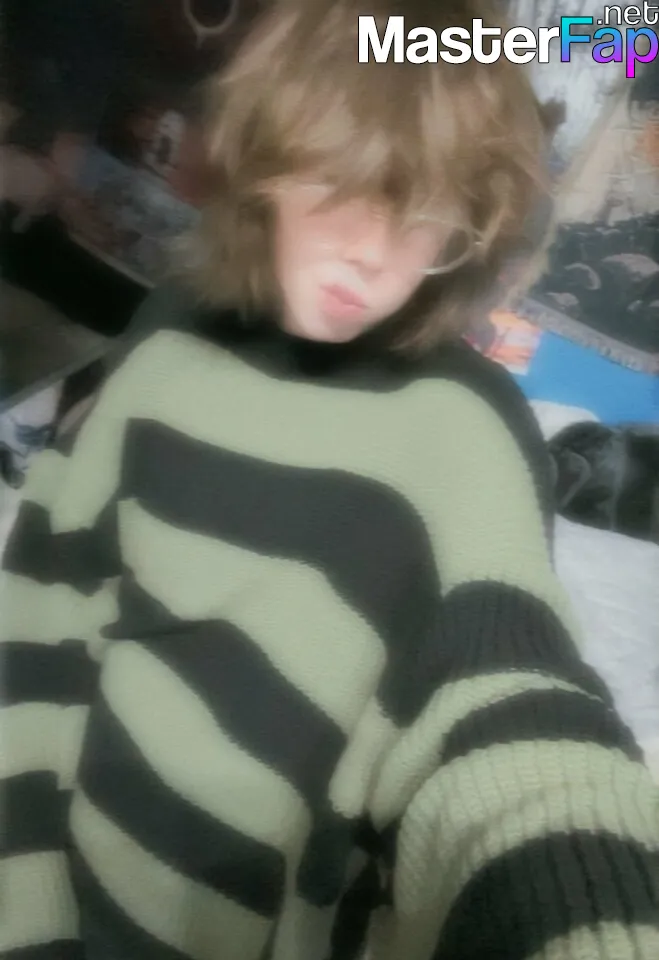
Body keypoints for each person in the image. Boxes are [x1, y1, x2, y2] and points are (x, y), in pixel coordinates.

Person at [2, 1, 659, 958]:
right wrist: (26, 914)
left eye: (426, 210)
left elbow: (508, 701)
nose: (372, 248)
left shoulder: (463, 429)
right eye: (345, 182)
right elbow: (39, 625)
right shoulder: (161, 355)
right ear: (268, 158)